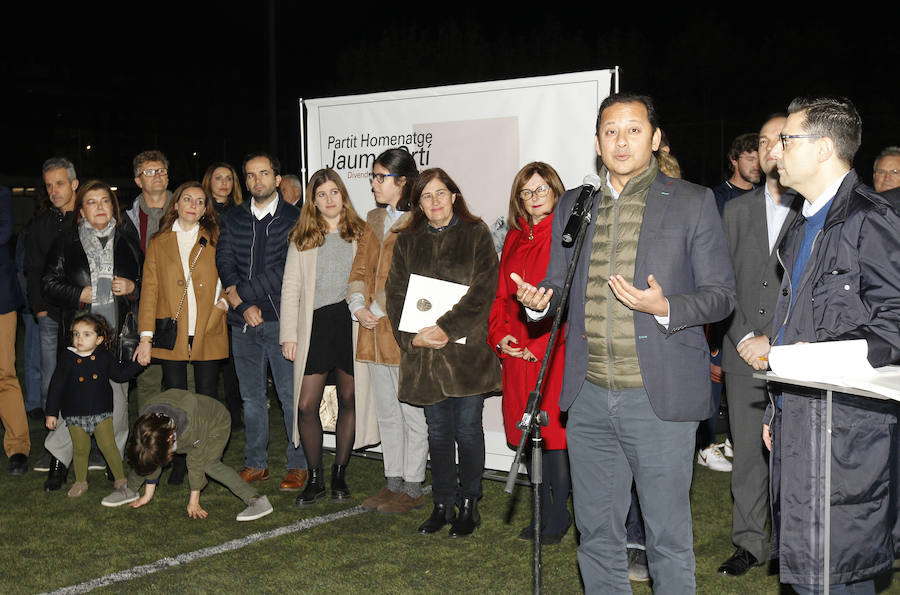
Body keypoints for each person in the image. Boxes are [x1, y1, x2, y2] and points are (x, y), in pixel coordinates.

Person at [513, 93, 735, 593]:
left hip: (657, 399)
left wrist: (667, 307)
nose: (621, 140)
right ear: (596, 142)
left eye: (634, 130)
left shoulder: (692, 201)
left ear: (655, 139)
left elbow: (722, 296)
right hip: (587, 397)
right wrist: (536, 302)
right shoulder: (576, 202)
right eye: (611, 131)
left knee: (667, 538)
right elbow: (556, 285)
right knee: (595, 534)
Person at [757, 97, 900, 594]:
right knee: (807, 575)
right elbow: (796, 323)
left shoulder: (870, 219)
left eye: (787, 139)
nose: (775, 149)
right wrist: (777, 406)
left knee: (840, 576)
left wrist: (790, 361)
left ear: (822, 148)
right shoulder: (800, 225)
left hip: (848, 438)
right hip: (800, 422)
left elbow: (894, 331)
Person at [386, 168, 501, 537]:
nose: (434, 202)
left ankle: (469, 504)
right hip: (425, 358)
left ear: (453, 195)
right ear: (418, 204)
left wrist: (446, 328)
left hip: (466, 357)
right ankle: (442, 504)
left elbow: (484, 290)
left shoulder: (476, 233)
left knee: (467, 431)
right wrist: (412, 338)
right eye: (426, 197)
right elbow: (396, 296)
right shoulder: (407, 240)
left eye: (440, 193)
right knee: (437, 432)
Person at [716, 114, 802, 577]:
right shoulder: (734, 211)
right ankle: (750, 543)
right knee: (748, 454)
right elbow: (720, 283)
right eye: (764, 140)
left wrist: (780, 343)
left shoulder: (816, 210)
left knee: (797, 455)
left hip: (796, 355)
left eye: (780, 139)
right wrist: (746, 336)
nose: (771, 147)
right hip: (741, 351)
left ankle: (794, 543)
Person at [42, 180, 143, 492]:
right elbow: (47, 283)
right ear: (81, 210)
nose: (100, 207)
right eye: (92, 202)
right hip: (80, 335)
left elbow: (146, 280)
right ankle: (59, 460)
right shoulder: (66, 241)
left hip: (117, 334)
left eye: (105, 201)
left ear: (113, 207)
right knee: (70, 399)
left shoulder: (128, 237)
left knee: (118, 398)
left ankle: (115, 465)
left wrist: (132, 288)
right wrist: (78, 293)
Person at [488, 161, 571, 544]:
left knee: (553, 438)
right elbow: (502, 297)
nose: (533, 198)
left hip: (552, 352)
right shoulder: (514, 238)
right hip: (515, 354)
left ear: (556, 191)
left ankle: (557, 516)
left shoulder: (566, 235)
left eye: (540, 190)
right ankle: (542, 509)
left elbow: (567, 299)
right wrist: (500, 337)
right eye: (526, 192)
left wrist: (537, 347)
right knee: (525, 435)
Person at [215, 152, 308, 491]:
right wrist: (241, 306)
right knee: (252, 398)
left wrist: (241, 296)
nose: (257, 180)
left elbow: (286, 271)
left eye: (264, 173)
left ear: (278, 179)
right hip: (242, 325)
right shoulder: (236, 218)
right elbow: (223, 259)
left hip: (281, 322)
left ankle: (297, 464)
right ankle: (256, 463)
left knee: (288, 396)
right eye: (251, 175)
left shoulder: (296, 219)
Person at [281, 168, 372, 506]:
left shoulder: (361, 233)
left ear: (343, 195)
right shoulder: (302, 236)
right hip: (315, 327)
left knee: (350, 400)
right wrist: (289, 334)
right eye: (321, 195)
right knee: (306, 405)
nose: (329, 199)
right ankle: (315, 477)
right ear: (313, 202)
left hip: (350, 324)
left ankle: (339, 475)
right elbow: (290, 288)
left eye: (334, 192)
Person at [347, 148, 429, 515]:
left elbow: (411, 277)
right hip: (372, 333)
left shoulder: (421, 222)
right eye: (374, 177)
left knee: (412, 413)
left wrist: (376, 308)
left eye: (381, 177)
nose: (374, 184)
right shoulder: (373, 218)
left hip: (401, 332)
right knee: (387, 413)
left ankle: (413, 486)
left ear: (403, 181)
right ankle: (393, 481)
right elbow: (360, 268)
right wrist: (356, 306)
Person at [102, 388, 273, 522]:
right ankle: (131, 489)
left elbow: (195, 461)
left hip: (215, 423)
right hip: (177, 426)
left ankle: (257, 500)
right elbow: (152, 452)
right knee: (146, 451)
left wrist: (194, 500)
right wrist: (148, 494)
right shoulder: (147, 421)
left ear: (170, 438)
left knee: (209, 464)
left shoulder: (191, 428)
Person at [135, 181, 228, 398]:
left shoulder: (216, 238)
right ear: (176, 204)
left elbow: (232, 276)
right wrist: (145, 339)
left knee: (207, 396)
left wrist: (223, 304)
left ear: (205, 210)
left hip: (208, 325)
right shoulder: (158, 242)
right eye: (187, 199)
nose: (192, 205)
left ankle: (205, 434)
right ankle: (181, 434)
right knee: (176, 396)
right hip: (172, 329)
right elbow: (150, 291)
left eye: (199, 201)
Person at [44, 313, 144, 498]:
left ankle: (120, 479)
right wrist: (51, 413)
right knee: (80, 449)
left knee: (109, 446)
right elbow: (56, 387)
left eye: (86, 334)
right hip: (74, 414)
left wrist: (138, 363)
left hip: (101, 412)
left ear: (99, 339)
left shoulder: (104, 357)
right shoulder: (67, 358)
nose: (79, 338)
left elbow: (120, 375)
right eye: (76, 334)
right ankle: (80, 481)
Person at [26, 158, 79, 476]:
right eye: (48, 185)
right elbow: (32, 270)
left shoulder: (88, 216)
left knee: (89, 381)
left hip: (84, 315)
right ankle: (54, 448)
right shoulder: (41, 225)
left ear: (74, 183)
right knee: (51, 382)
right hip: (50, 314)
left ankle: (92, 446)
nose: (54, 190)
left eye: (59, 183)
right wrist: (40, 308)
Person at [201, 162, 244, 431]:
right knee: (209, 358)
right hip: (206, 290)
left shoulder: (241, 213)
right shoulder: (200, 211)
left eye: (229, 178)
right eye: (218, 178)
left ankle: (235, 414)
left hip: (233, 289)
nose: (224, 183)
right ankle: (208, 414)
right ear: (209, 181)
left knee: (232, 359)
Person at [0, 185, 29, 476]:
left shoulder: (2, 194)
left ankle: (18, 447)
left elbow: (3, 232)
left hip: (1, 300)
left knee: (4, 374)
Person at [712, 133, 761, 213]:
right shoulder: (719, 197)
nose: (757, 166)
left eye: (760, 160)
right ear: (734, 160)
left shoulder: (765, 195)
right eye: (750, 159)